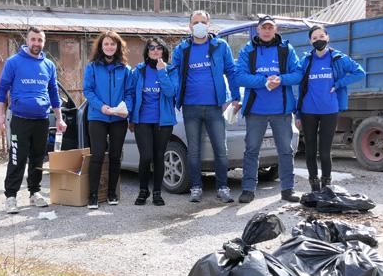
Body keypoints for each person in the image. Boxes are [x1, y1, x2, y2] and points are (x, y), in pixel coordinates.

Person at [171, 10, 241, 203]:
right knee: (193, 150)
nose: (199, 25)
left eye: (203, 22)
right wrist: (173, 97)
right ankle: (196, 187)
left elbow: (231, 72)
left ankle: (223, 187)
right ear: (190, 26)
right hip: (190, 106)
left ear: (209, 25)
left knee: (221, 149)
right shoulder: (182, 49)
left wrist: (236, 96)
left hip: (215, 107)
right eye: (196, 22)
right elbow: (173, 75)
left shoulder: (220, 46)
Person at [0, 26, 67, 214]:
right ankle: (11, 196)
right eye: (33, 39)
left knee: (37, 158)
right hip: (19, 119)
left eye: (40, 40)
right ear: (27, 41)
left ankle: (34, 192)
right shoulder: (14, 62)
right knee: (17, 158)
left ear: (44, 42)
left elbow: (54, 93)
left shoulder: (49, 65)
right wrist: (0, 115)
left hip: (42, 120)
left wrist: (59, 118)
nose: (36, 43)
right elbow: (2, 89)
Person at [236, 15, 302, 204]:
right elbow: (239, 76)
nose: (266, 31)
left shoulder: (286, 50)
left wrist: (281, 79)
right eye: (263, 27)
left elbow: (298, 74)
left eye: (270, 27)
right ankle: (248, 189)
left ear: (276, 30)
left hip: (281, 110)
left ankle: (288, 189)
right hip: (256, 110)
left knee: (286, 151)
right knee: (251, 150)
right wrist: (264, 82)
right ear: (257, 30)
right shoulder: (248, 50)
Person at [296, 24, 365, 191]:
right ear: (310, 41)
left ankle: (326, 184)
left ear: (327, 38)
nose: (318, 40)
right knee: (310, 151)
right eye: (314, 38)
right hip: (308, 110)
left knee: (325, 151)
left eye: (321, 37)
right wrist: (298, 114)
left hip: (330, 110)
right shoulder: (306, 60)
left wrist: (339, 83)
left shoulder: (338, 58)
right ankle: (314, 185)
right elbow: (300, 87)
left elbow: (360, 73)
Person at [83, 31, 133, 209]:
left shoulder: (126, 69)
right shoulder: (92, 67)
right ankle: (93, 195)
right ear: (101, 47)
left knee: (115, 156)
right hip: (98, 116)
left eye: (113, 44)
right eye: (106, 44)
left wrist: (126, 109)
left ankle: (112, 193)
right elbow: (88, 91)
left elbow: (129, 93)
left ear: (118, 47)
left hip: (118, 118)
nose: (109, 47)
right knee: (97, 155)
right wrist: (101, 106)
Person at [128, 38, 178, 206]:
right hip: (143, 120)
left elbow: (170, 92)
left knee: (158, 156)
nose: (155, 51)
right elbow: (132, 95)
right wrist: (131, 118)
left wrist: (162, 72)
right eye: (151, 48)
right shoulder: (139, 71)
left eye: (159, 48)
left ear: (164, 51)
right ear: (147, 52)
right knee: (146, 156)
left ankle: (157, 192)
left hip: (163, 122)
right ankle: (143, 190)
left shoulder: (171, 70)